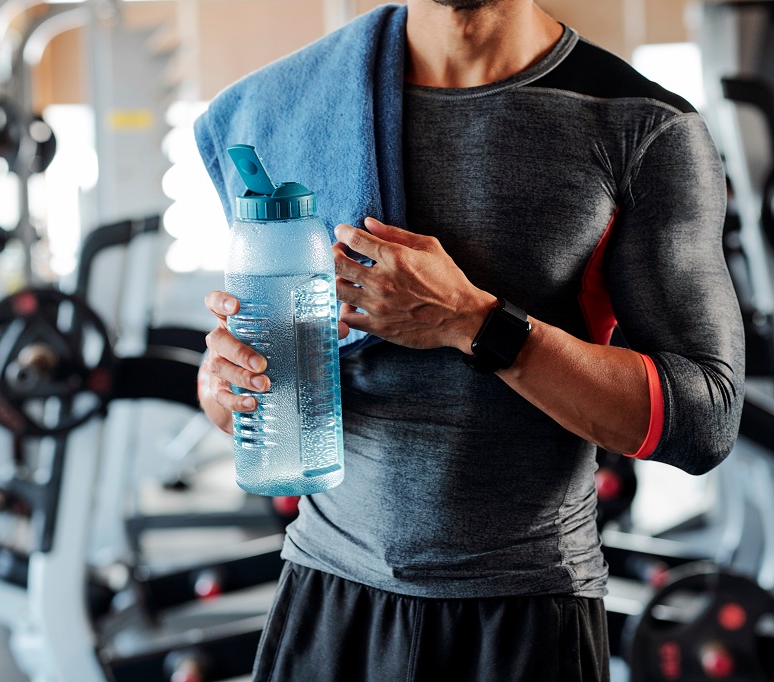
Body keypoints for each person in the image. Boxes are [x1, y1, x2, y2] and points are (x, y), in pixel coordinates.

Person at [193, 1, 745, 679]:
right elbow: (253, 388)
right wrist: (224, 385)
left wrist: (473, 323)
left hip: (525, 615)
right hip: (327, 600)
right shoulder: (286, 109)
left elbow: (704, 419)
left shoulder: (641, 124)